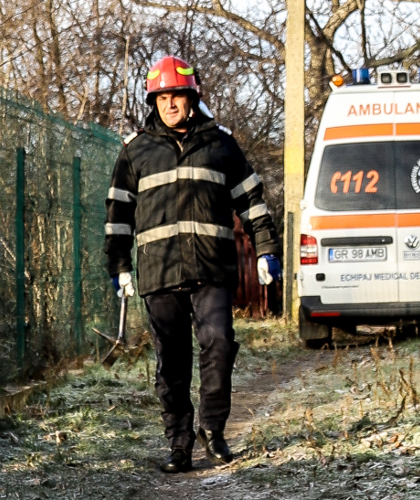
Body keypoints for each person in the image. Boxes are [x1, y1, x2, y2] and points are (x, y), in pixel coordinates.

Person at [104, 55, 282, 473]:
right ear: (154, 102)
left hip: (212, 269)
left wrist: (266, 249)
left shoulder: (221, 145)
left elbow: (251, 201)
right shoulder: (135, 151)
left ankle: (213, 430)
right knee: (172, 359)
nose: (169, 104)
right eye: (161, 97)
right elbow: (118, 214)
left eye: (177, 96)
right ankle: (179, 443)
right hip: (159, 271)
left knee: (218, 343)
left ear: (192, 98)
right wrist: (119, 266)